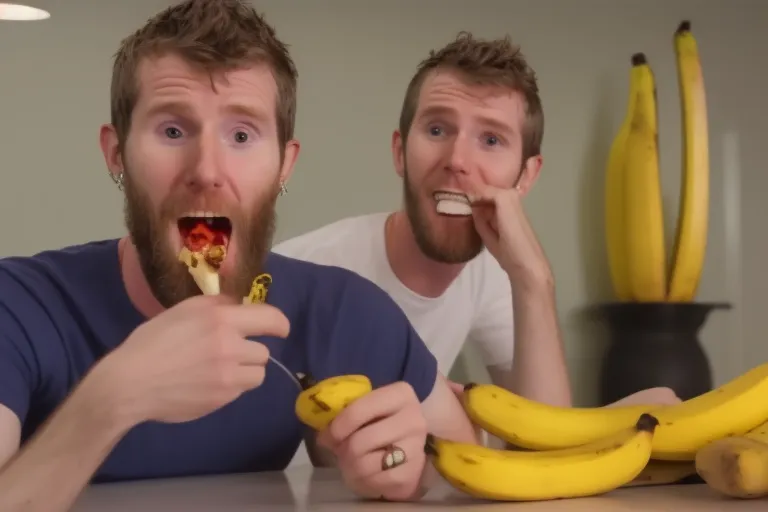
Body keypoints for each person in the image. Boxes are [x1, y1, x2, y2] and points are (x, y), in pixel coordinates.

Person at [0, 1, 477, 509]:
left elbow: (467, 466)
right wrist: (110, 401)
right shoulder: (20, 307)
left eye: (242, 135)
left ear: (283, 166)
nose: (207, 170)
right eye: (173, 131)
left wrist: (405, 470)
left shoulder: (337, 313)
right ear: (116, 152)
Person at [273, 32, 681, 412]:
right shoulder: (310, 273)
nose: (457, 161)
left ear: (526, 176)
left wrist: (533, 280)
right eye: (437, 129)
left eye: (491, 140)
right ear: (400, 152)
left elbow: (542, 432)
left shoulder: (490, 276)